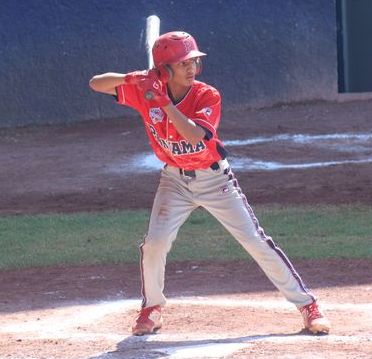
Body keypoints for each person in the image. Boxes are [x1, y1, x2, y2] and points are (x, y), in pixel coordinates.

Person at [89, 31, 330, 336]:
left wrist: (161, 101)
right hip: (174, 181)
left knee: (255, 240)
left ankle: (308, 305)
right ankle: (151, 309)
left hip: (215, 180)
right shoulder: (146, 90)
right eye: (184, 63)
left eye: (194, 62)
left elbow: (194, 136)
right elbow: (96, 83)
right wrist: (134, 78)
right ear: (164, 69)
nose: (192, 69)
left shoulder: (206, 95)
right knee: (155, 244)